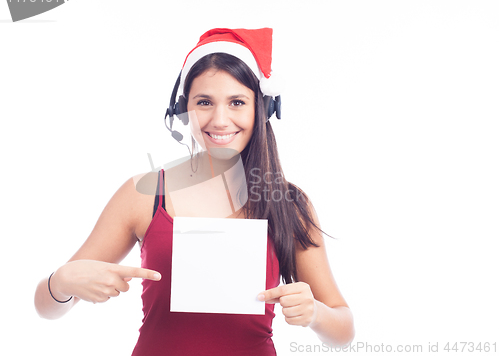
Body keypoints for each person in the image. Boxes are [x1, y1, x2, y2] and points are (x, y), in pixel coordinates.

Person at [34, 28, 355, 355]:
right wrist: (61, 282)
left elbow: (343, 331)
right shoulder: (144, 194)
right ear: (183, 108)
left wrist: (315, 313)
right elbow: (46, 307)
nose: (220, 119)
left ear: (262, 108)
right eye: (204, 102)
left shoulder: (289, 204)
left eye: (237, 102)